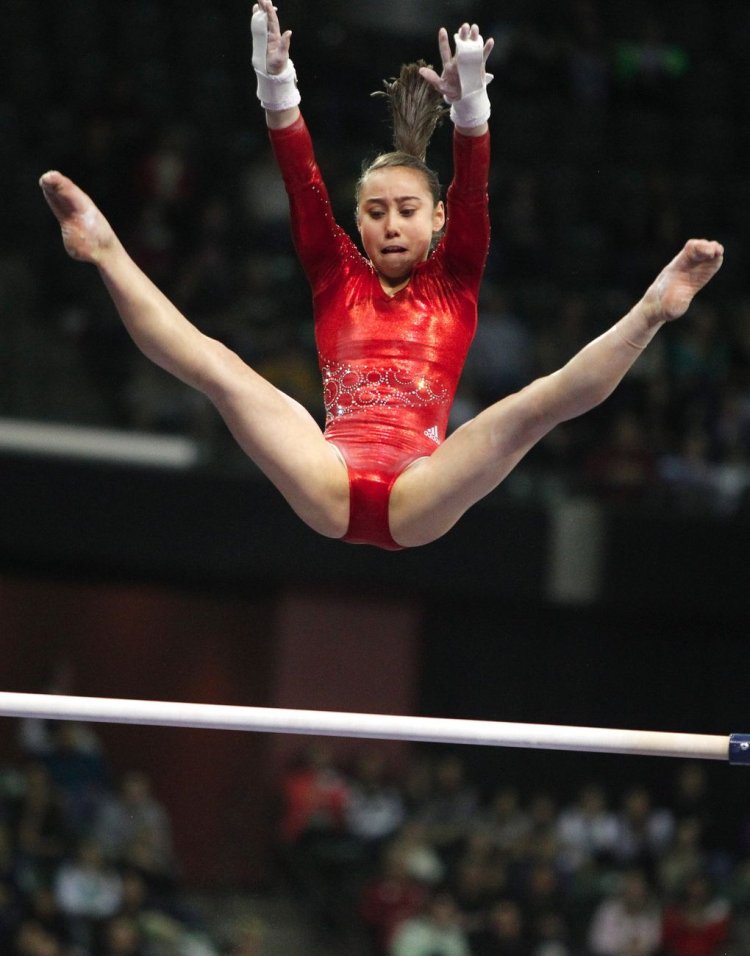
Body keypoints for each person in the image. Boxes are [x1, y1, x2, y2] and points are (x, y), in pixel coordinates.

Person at [39, 2, 724, 552]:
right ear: (357, 226)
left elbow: (474, 188)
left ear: (436, 223)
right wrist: (276, 85)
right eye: (374, 212)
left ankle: (653, 309)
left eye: (406, 211)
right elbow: (302, 185)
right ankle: (106, 250)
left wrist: (472, 106)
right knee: (221, 368)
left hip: (420, 490)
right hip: (329, 476)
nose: (391, 224)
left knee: (528, 410)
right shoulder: (335, 273)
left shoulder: (457, 274)